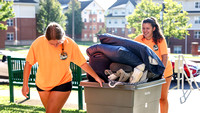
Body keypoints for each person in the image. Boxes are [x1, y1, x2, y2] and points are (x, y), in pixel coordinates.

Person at [22, 22, 104, 113]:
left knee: (50, 111)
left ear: (63, 36)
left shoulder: (70, 44)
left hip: (62, 82)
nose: (55, 46)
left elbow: (82, 63)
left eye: (58, 43)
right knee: (54, 111)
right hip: (42, 85)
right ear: (46, 38)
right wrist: (25, 84)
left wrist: (96, 77)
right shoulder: (38, 43)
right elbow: (28, 64)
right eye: (51, 44)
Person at [134, 17, 173, 113]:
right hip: (149, 72)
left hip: (164, 71)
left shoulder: (160, 39)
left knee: (162, 98)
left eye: (148, 28)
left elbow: (165, 56)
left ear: (153, 29)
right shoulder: (138, 39)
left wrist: (161, 73)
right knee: (148, 98)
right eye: (143, 28)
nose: (145, 31)